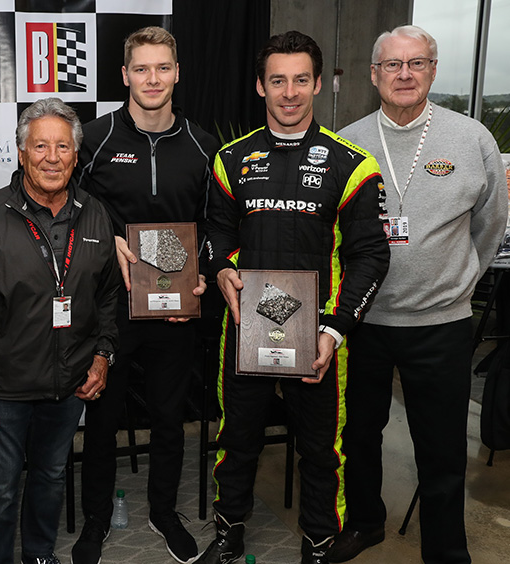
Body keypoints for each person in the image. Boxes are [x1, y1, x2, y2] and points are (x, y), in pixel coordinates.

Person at [199, 31, 390, 564]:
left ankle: (319, 540)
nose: (289, 93)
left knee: (322, 450)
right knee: (237, 439)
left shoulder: (353, 164)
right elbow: (216, 233)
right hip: (247, 327)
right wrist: (221, 269)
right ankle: (228, 530)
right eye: (278, 80)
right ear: (261, 86)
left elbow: (371, 256)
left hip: (319, 336)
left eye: (301, 80)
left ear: (318, 84)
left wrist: (335, 329)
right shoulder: (231, 159)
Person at [329, 25, 508, 564]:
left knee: (442, 448)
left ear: (432, 70)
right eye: (392, 64)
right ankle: (366, 523)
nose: (404, 74)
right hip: (364, 321)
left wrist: (459, 283)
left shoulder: (472, 139)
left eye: (416, 63)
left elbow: (490, 225)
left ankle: (446, 550)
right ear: (374, 74)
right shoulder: (346, 143)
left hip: (441, 324)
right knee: (359, 436)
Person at [0, 97, 122, 564]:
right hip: (2, 389)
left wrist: (102, 354)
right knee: (1, 488)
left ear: (76, 155)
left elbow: (108, 296)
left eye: (62, 146)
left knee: (50, 477)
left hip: (69, 385)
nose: (52, 157)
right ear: (21, 153)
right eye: (40, 146)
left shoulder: (95, 213)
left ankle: (40, 554)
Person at [73, 26, 217, 564]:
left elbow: (214, 226)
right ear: (125, 75)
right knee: (102, 419)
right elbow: (66, 208)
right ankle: (95, 519)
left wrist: (203, 276)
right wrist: (104, 236)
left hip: (175, 309)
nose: (152, 79)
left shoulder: (203, 145)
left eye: (162, 68)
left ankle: (163, 512)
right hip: (110, 308)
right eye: (141, 69)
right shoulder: (95, 138)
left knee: (169, 418)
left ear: (177, 73)